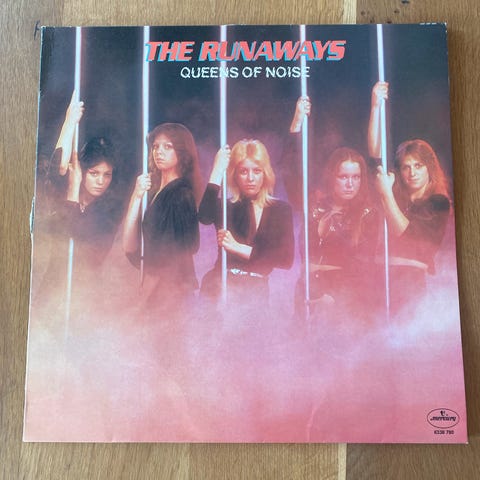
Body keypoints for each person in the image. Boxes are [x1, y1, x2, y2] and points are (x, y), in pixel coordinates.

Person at [289, 97, 379, 318]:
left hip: (345, 297)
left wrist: (336, 298)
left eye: (356, 177)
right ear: (332, 177)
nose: (350, 183)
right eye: (343, 176)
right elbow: (293, 172)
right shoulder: (315, 205)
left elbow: (364, 265)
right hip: (308, 290)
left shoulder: (367, 213)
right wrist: (297, 122)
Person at [369, 81, 451, 313]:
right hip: (379, 278)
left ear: (429, 169)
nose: (412, 173)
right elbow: (376, 155)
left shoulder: (438, 203)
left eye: (418, 166)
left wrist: (386, 194)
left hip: (410, 282)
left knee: (404, 331)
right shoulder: (397, 192)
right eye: (406, 167)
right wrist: (375, 107)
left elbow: (406, 234)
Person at [198, 139, 294, 307]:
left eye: (256, 171)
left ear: (265, 173)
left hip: (256, 291)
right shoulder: (226, 207)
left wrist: (238, 248)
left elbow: (285, 260)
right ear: (234, 175)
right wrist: (217, 171)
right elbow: (204, 216)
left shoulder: (281, 210)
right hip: (220, 286)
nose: (250, 178)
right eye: (243, 171)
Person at [122, 123, 202, 311]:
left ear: (181, 152)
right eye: (156, 146)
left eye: (168, 146)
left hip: (172, 293)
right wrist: (136, 196)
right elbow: (129, 245)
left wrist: (147, 293)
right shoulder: (154, 192)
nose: (159, 152)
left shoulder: (181, 195)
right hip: (157, 289)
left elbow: (175, 254)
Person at [46, 91, 122, 267]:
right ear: (83, 170)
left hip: (84, 281)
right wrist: (69, 122)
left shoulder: (109, 212)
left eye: (107, 174)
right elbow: (58, 166)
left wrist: (73, 191)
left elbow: (81, 251)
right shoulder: (64, 188)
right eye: (94, 173)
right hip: (52, 280)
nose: (101, 181)